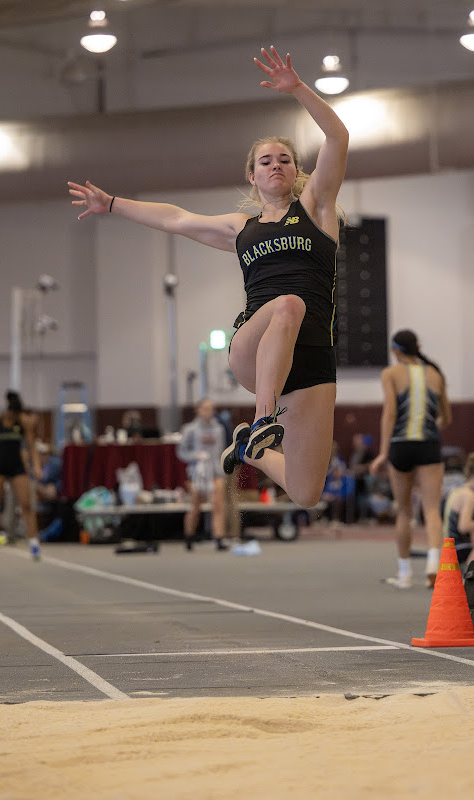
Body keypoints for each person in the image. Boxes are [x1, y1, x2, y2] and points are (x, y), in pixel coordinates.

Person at [70, 46, 349, 511]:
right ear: (251, 175)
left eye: (284, 158)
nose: (276, 165)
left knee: (305, 493)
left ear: (298, 171)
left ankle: (248, 448)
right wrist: (113, 204)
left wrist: (298, 88)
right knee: (288, 304)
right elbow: (176, 218)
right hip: (254, 348)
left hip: (313, 358)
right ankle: (263, 420)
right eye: (265, 161)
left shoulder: (318, 209)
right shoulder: (241, 230)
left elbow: (338, 136)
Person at [370, 329, 452, 589]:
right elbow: (446, 418)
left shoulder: (391, 374)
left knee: (404, 510)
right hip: (428, 445)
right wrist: (430, 425)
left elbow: (390, 414)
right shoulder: (435, 374)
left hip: (400, 445)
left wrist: (383, 453)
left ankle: (404, 574)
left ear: (396, 350)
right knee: (431, 509)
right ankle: (432, 563)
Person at [0, 391, 42, 561]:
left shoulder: (23, 422)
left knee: (26, 505)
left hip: (17, 467)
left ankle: (34, 543)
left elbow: (31, 446)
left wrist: (36, 466)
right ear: (9, 411)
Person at [177, 398, 229, 551]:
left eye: (211, 408)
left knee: (218, 505)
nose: (209, 412)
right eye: (205, 408)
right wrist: (195, 456)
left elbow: (220, 451)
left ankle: (219, 538)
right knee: (195, 506)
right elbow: (181, 451)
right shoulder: (190, 429)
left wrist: (221, 470)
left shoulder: (218, 429)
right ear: (198, 410)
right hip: (197, 472)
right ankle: (189, 536)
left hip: (214, 471)